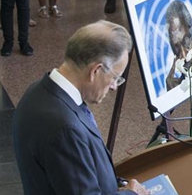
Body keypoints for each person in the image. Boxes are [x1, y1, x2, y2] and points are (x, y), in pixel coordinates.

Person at [12, 21, 148, 194]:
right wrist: (132, 193)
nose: (114, 87)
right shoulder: (65, 129)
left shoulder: (37, 91)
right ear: (96, 71)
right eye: (115, 77)